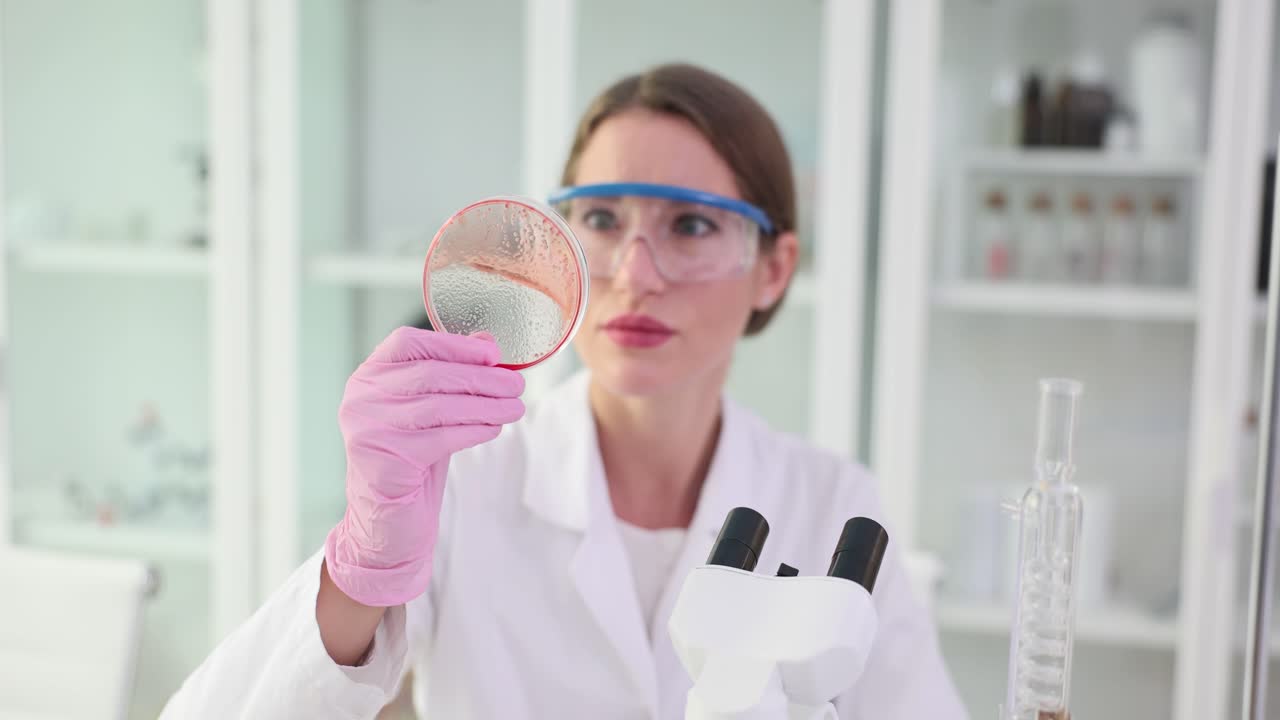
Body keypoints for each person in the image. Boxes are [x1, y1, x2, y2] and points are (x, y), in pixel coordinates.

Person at [162, 63, 966, 719]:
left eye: (690, 226)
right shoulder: (469, 480)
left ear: (775, 269)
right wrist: (360, 569)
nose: (636, 276)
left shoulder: (831, 506)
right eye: (603, 220)